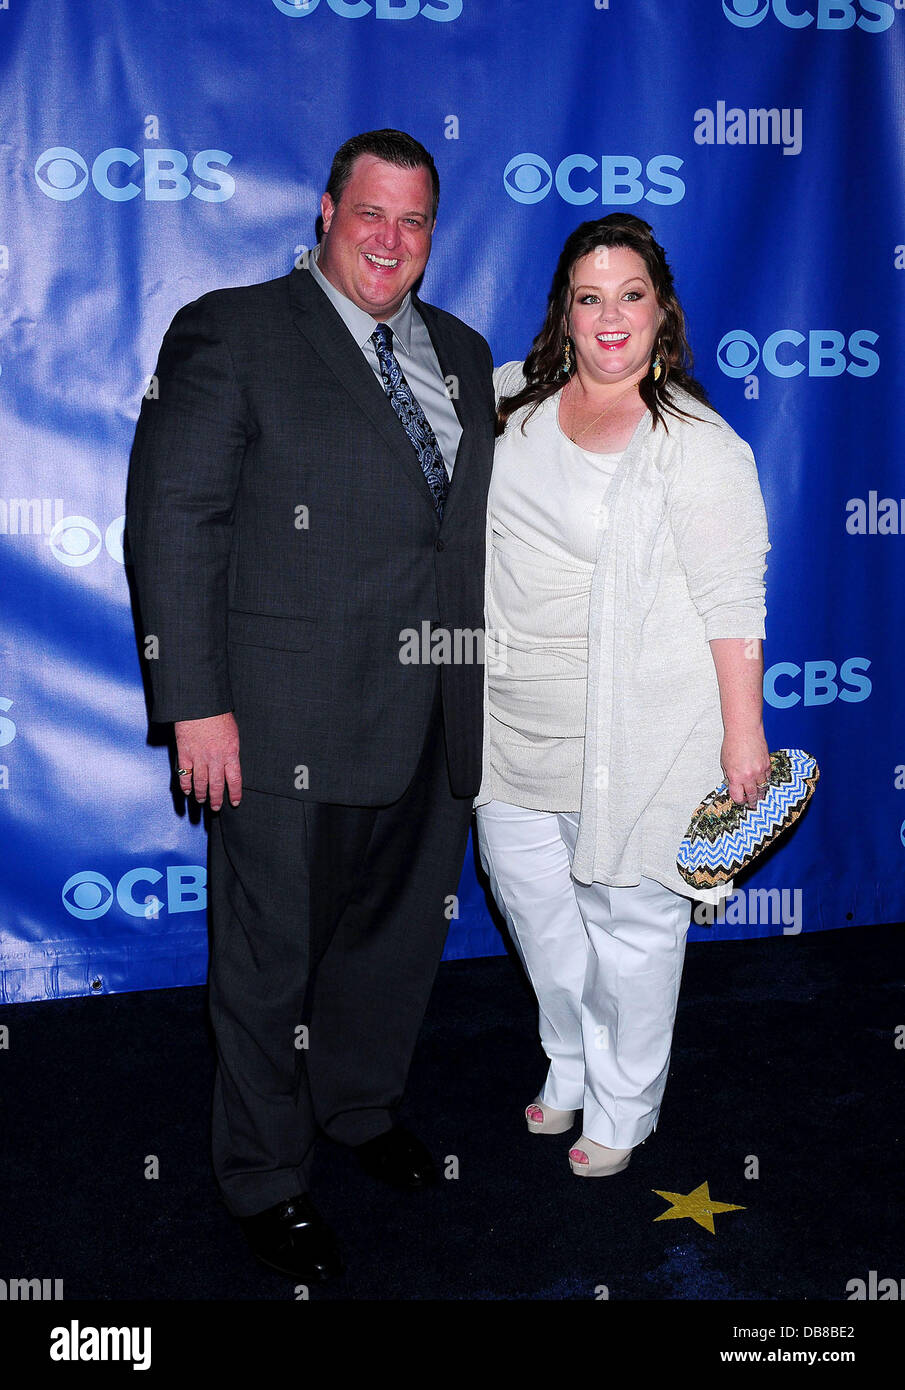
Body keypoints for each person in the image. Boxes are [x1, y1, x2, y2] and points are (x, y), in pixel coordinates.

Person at [126, 129, 495, 1277]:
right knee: (267, 962)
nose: (391, 240)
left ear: (434, 235)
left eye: (415, 220)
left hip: (435, 710)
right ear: (326, 213)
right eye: (370, 213)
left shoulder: (466, 353)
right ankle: (263, 1174)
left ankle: (359, 1108)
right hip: (279, 720)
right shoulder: (232, 329)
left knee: (389, 950)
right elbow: (171, 523)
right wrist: (196, 706)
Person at [475, 213, 770, 1177]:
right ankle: (569, 1060)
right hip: (506, 731)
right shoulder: (511, 401)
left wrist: (743, 743)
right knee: (541, 922)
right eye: (589, 295)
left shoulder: (698, 445)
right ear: (564, 308)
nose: (609, 316)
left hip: (635, 738)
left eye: (629, 295)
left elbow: (733, 602)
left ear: (660, 311)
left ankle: (626, 1102)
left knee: (633, 932)